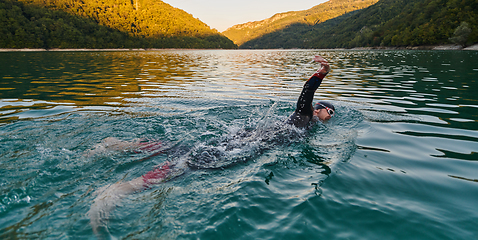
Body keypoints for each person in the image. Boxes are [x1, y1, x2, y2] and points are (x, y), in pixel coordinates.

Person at [87, 55, 335, 235]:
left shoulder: (305, 123)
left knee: (183, 150)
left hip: (243, 140)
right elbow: (306, 93)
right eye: (329, 111)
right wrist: (321, 74)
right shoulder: (304, 116)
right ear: (318, 109)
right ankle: (120, 190)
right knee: (189, 164)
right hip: (248, 144)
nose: (331, 115)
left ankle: (118, 145)